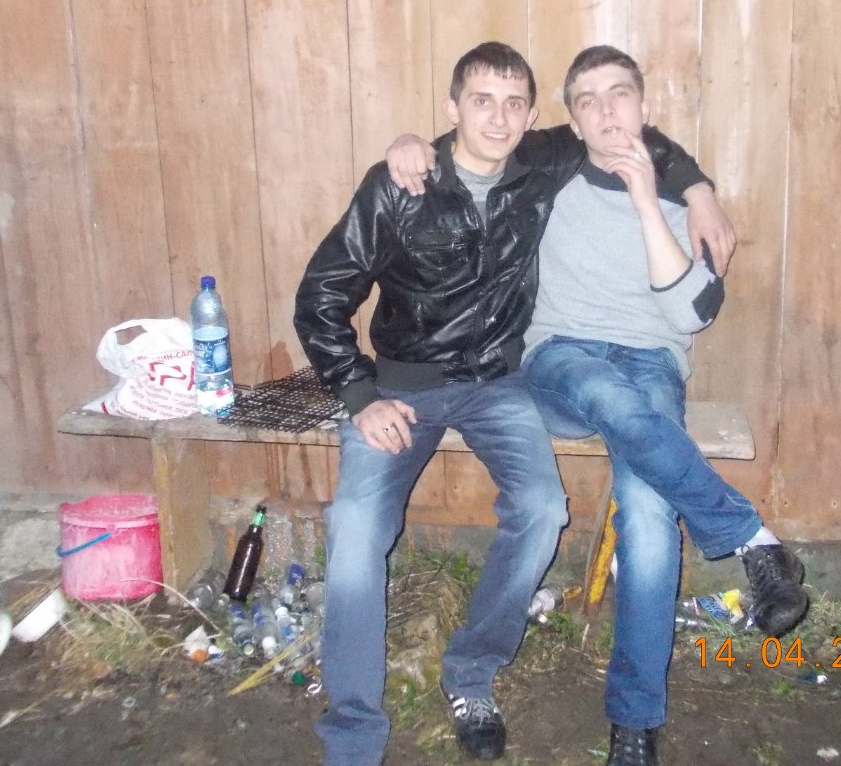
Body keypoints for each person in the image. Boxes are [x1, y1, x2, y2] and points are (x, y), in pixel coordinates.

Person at [294, 42, 731, 766]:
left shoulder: (540, 164)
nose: (497, 118)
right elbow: (321, 296)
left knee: (541, 510)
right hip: (400, 387)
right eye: (481, 101)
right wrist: (359, 394)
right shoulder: (399, 184)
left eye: (513, 104)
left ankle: (471, 672)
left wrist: (701, 189)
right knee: (357, 527)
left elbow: (624, 128)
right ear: (451, 108)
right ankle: (352, 736)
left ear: (531, 117)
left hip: (498, 383)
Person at [522, 45, 809, 766]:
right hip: (560, 357)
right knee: (602, 390)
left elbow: (689, 315)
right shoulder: (547, 177)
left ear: (645, 108)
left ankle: (635, 722)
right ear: (573, 122)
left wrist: (653, 199)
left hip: (651, 361)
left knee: (649, 512)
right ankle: (750, 537)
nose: (606, 111)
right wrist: (410, 146)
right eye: (587, 100)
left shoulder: (683, 202)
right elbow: (473, 144)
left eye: (619, 94)